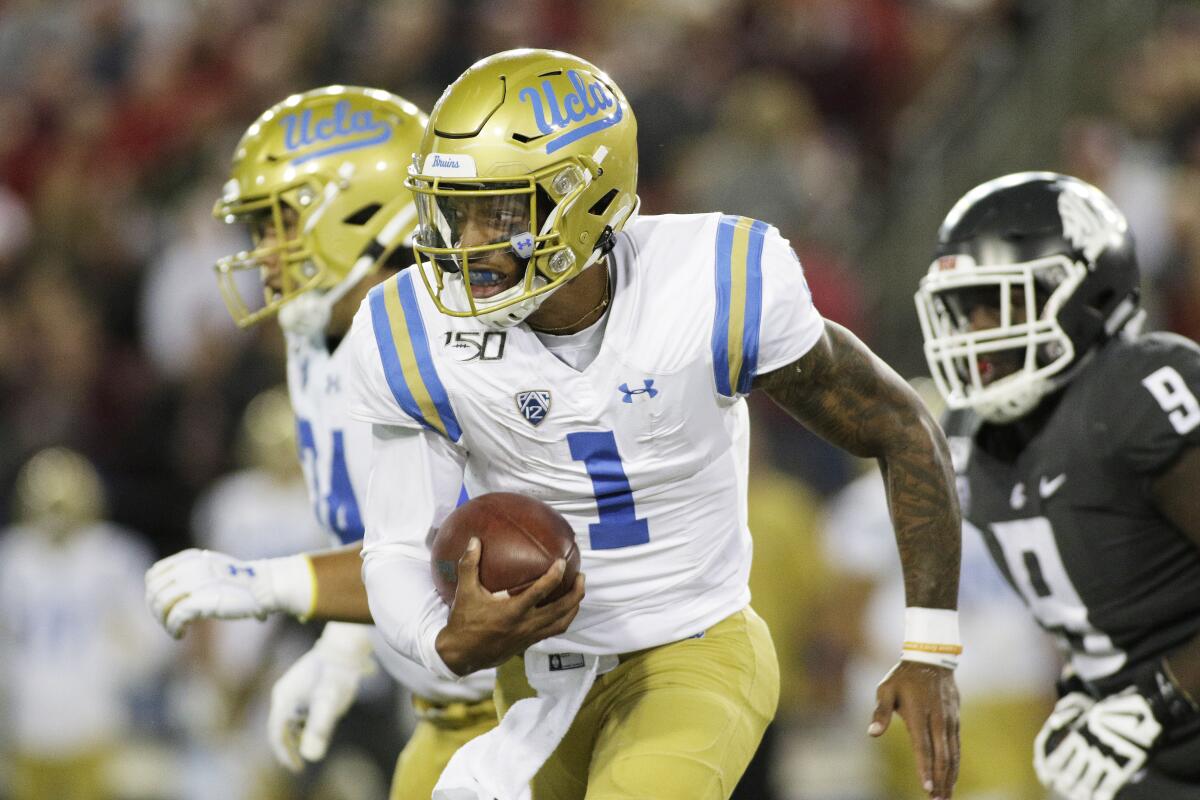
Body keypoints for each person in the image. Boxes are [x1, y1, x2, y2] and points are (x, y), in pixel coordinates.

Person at [346, 49, 963, 800]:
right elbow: (395, 545)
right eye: (453, 208)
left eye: (500, 211)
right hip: (538, 678)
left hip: (693, 646)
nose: (466, 241)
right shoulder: (410, 328)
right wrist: (443, 644)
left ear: (585, 200)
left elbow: (901, 428)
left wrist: (931, 646)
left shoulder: (716, 280)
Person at [142, 86, 498, 800]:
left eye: (280, 225)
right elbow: (382, 533)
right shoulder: (322, 336)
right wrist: (347, 642)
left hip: (530, 702)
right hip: (445, 711)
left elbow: (453, 556)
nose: (262, 253)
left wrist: (270, 584)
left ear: (357, 212)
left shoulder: (445, 339)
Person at [914, 171, 1200, 800]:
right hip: (1149, 757)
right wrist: (1080, 692)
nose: (980, 331)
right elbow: (1089, 611)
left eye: (1001, 301)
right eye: (967, 309)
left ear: (1087, 296)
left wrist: (1161, 696)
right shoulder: (969, 435)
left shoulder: (1138, 393)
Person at [0, 448, 168, 800]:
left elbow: (153, 639)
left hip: (95, 718)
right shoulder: (12, 557)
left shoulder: (114, 555)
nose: (56, 514)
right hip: (28, 719)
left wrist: (116, 668)